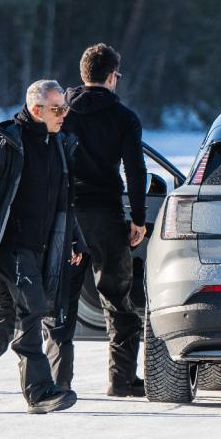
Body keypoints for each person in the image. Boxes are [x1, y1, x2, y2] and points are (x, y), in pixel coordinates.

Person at [0, 80, 86, 414]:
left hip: (38, 246)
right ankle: (39, 392)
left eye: (65, 108)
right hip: (7, 244)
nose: (64, 114)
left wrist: (74, 238)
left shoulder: (57, 144)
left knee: (8, 319)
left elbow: (64, 201)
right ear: (36, 110)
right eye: (57, 109)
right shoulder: (5, 143)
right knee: (31, 310)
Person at [44, 43, 148, 397]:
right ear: (111, 76)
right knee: (118, 300)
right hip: (105, 215)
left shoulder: (61, 113)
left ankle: (58, 382)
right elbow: (136, 171)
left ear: (83, 74)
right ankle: (121, 380)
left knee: (61, 301)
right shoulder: (124, 118)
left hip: (64, 217)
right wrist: (138, 218)